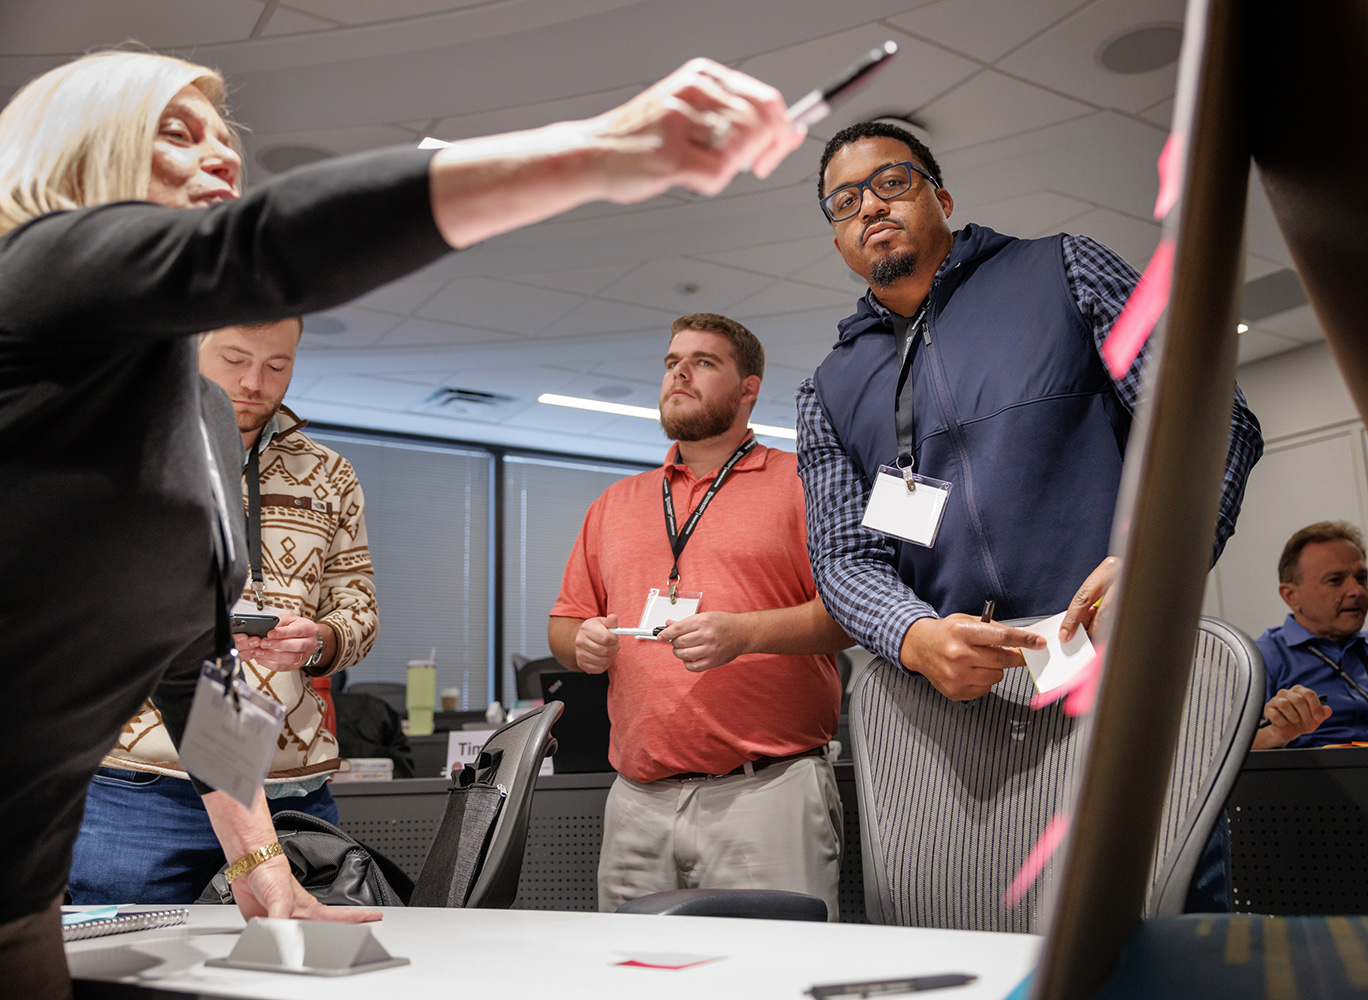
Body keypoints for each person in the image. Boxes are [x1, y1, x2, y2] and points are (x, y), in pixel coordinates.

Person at [0, 49, 801, 995]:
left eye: (227, 143)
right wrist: (605, 151)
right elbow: (265, 245)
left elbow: (197, 675)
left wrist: (262, 866)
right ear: (78, 158)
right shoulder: (34, 275)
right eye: (176, 135)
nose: (220, 159)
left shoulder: (199, 421)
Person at [796, 121, 1264, 701]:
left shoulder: (1068, 271)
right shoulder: (826, 390)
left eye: (891, 182)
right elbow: (843, 559)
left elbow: (1211, 422)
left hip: (1113, 656)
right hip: (952, 697)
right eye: (845, 202)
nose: (869, 206)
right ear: (838, 239)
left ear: (941, 198)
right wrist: (913, 636)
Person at [69, 318, 381, 904]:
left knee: (293, 974)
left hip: (292, 788)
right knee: (126, 971)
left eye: (277, 366)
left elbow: (358, 608)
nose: (254, 382)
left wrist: (320, 640)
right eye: (235, 359)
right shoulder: (122, 455)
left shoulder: (329, 475)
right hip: (142, 789)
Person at [548, 314, 851, 917]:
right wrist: (579, 644)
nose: (679, 373)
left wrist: (743, 634)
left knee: (774, 977)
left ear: (749, 388)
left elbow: (849, 617)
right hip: (638, 798)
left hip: (766, 790)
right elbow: (564, 625)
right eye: (671, 362)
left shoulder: (803, 483)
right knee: (635, 977)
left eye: (704, 362)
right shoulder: (616, 503)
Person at [1253, 521, 1368, 749]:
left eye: (1361, 578)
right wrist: (1276, 734)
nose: (1356, 591)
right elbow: (1216, 756)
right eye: (1335, 580)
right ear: (1291, 596)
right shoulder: (1257, 663)